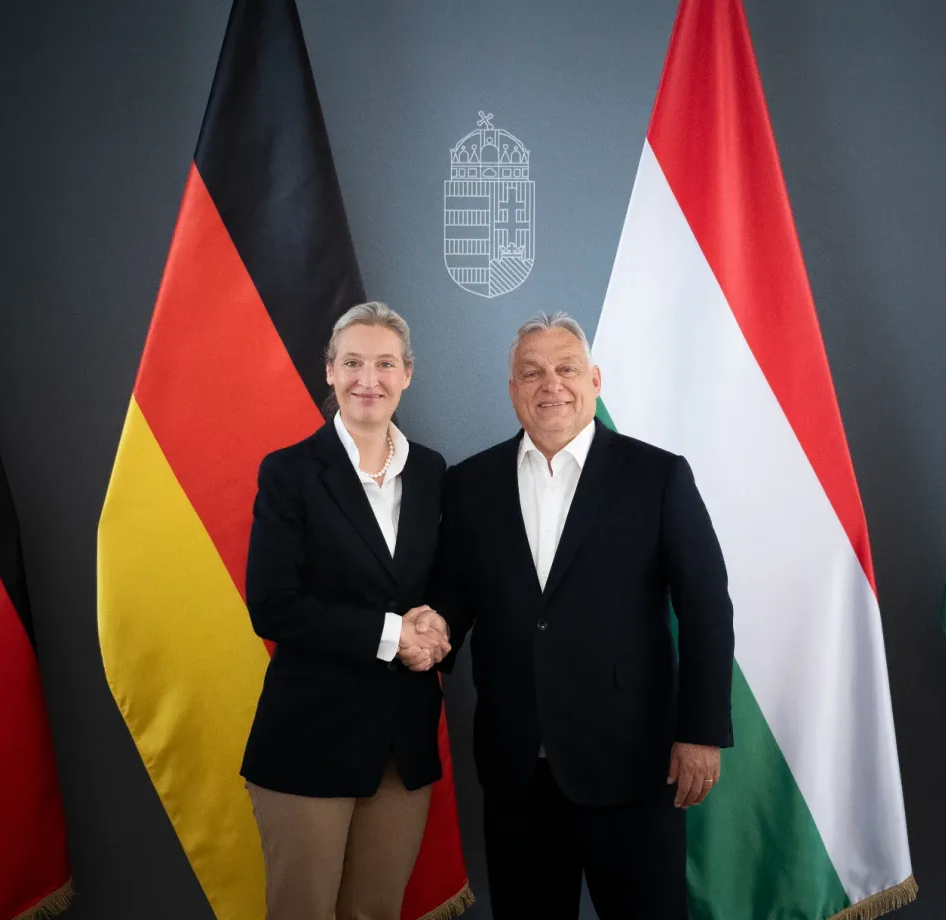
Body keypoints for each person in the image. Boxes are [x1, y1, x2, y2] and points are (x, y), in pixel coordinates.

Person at [430, 312, 735, 919]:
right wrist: (417, 637)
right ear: (512, 389)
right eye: (532, 372)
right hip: (516, 769)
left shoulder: (657, 475)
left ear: (594, 380)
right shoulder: (469, 484)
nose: (551, 384)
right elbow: (449, 607)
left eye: (566, 368)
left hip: (634, 763)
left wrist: (701, 731)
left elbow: (705, 605)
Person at [240, 302, 452, 920]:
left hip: (402, 742)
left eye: (385, 364)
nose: (369, 379)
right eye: (353, 362)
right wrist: (391, 634)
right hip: (310, 736)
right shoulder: (289, 472)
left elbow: (444, 580)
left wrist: (438, 625)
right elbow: (272, 607)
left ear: (407, 373)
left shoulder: (432, 471)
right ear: (329, 371)